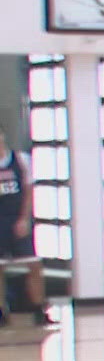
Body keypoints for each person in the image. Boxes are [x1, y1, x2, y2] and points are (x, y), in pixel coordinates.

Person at [0, 127, 53, 326]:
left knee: (34, 265)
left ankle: (38, 308)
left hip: (17, 218)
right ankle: (2, 312)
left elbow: (29, 191)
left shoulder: (20, 159)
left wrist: (24, 218)